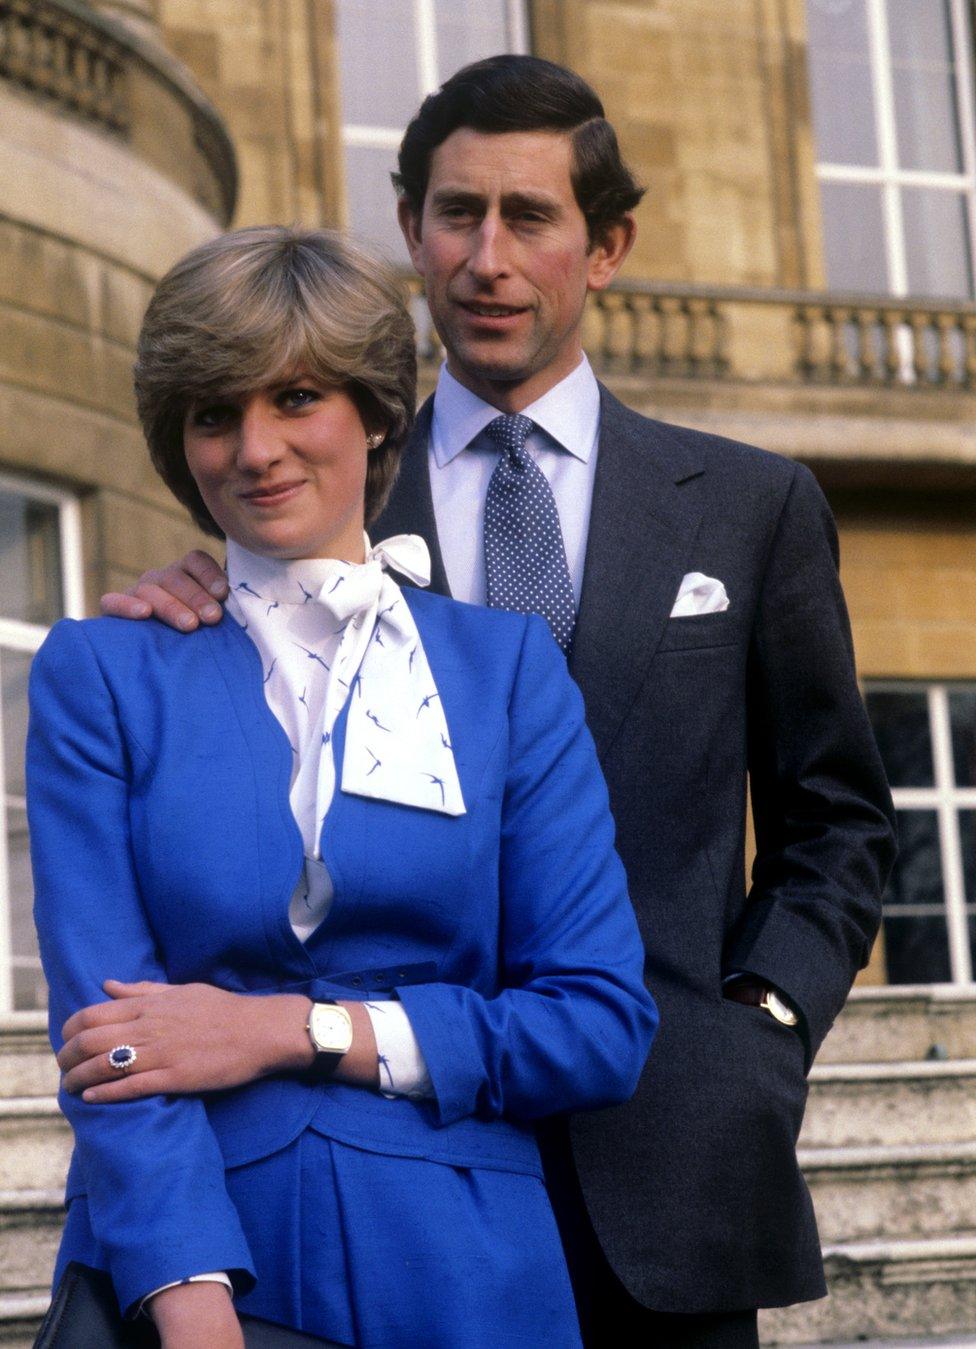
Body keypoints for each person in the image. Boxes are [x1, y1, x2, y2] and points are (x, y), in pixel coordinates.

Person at [100, 56, 897, 1349]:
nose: (487, 255)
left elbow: (840, 824)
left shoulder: (754, 508)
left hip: (674, 1156)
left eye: (529, 216)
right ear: (411, 230)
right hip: (395, 1178)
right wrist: (203, 594)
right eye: (454, 213)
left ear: (608, 243)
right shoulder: (308, 490)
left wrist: (760, 1025)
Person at [27, 225, 658, 1349]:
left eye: (297, 397)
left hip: (465, 1269)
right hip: (201, 1263)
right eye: (215, 413)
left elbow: (596, 1023)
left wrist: (292, 1028)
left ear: (373, 414)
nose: (255, 448)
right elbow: (106, 1035)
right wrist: (191, 1295)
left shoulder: (505, 672)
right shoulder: (104, 671)